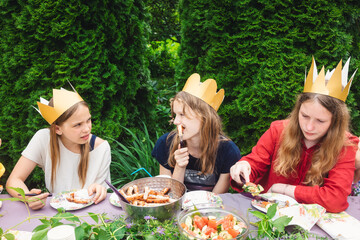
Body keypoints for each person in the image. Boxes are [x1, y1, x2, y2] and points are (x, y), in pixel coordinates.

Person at [230, 57, 358, 213]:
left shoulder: (345, 145)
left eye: (320, 121)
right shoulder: (278, 130)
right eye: (304, 116)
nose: (309, 127)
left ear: (335, 122)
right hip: (269, 213)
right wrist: (244, 167)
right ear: (298, 111)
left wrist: (283, 189)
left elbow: (335, 199)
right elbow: (255, 163)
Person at [6, 87, 111, 210]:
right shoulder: (43, 139)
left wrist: (100, 189)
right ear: (57, 129)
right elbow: (13, 180)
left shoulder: (101, 148)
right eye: (77, 125)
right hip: (56, 213)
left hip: (91, 212)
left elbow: (101, 193)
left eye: (88, 120)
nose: (87, 129)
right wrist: (28, 197)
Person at [152, 73, 241, 194]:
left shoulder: (228, 151)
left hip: (209, 210)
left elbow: (217, 199)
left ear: (205, 118)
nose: (176, 121)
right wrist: (179, 167)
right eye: (175, 115)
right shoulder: (165, 143)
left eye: (182, 115)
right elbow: (169, 196)